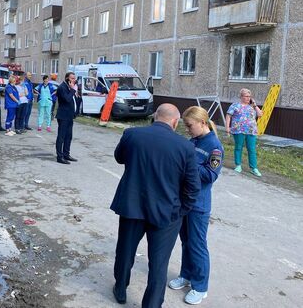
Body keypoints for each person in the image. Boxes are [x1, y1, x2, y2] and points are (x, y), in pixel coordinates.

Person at [110, 103, 201, 307]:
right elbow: (193, 187)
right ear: (175, 122)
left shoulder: (132, 135)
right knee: (159, 264)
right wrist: (181, 210)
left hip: (132, 207)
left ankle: (120, 288)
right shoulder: (185, 146)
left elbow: (119, 158)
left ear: (155, 116)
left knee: (125, 251)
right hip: (167, 213)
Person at [168, 106, 223, 305]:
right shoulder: (193, 141)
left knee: (198, 245)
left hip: (199, 205)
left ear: (202, 123)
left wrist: (189, 166)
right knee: (186, 242)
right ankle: (186, 275)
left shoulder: (214, 146)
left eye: (190, 126)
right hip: (185, 201)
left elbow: (210, 175)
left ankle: (200, 287)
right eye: (185, 126)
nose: (188, 130)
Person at [225, 88, 263, 177]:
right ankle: (238, 165)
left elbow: (260, 114)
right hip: (238, 130)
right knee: (238, 147)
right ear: (241, 96)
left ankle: (254, 168)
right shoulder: (235, 105)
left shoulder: (252, 106)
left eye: (249, 96)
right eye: (246, 96)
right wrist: (227, 127)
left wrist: (255, 105)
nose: (248, 98)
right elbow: (228, 116)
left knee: (251, 149)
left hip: (251, 130)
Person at [55, 72, 78, 164]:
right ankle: (59, 157)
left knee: (69, 136)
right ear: (67, 79)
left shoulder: (70, 87)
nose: (74, 80)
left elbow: (73, 100)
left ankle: (66, 154)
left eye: (74, 78)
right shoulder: (62, 88)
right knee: (61, 137)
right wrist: (72, 90)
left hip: (69, 116)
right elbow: (67, 99)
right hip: (63, 116)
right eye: (72, 78)